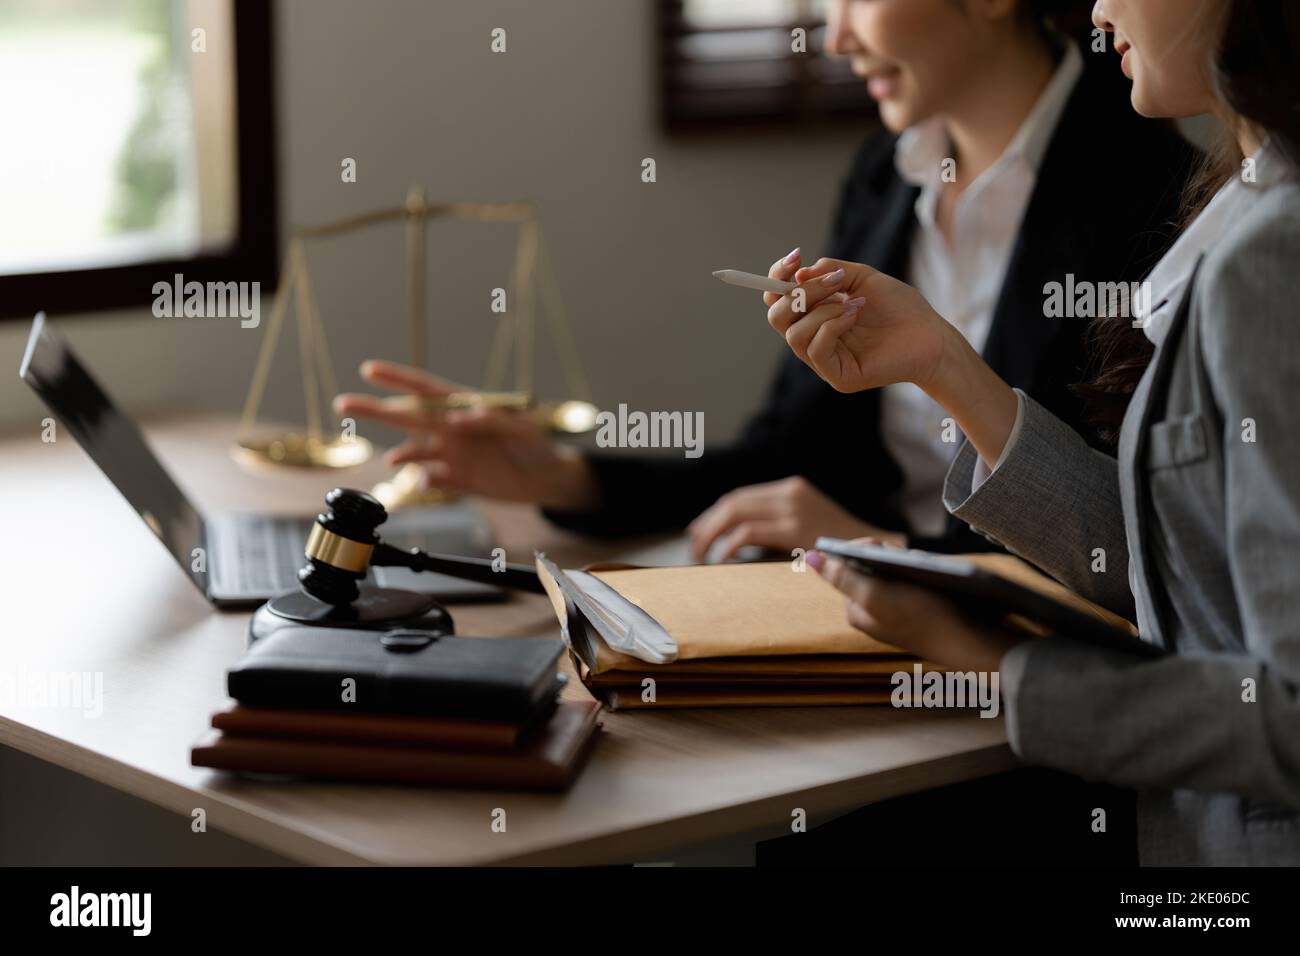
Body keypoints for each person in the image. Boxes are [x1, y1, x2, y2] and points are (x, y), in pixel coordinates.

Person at [336, 0, 1196, 561]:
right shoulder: (886, 175)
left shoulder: (1156, 195)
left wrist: (880, 549)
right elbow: (788, 457)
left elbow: (1126, 552)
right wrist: (566, 477)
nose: (836, 36)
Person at [775, 0, 1300, 865]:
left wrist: (988, 658)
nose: (1095, 8)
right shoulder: (1244, 212)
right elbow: (1184, 573)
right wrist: (944, 363)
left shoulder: (1270, 261)